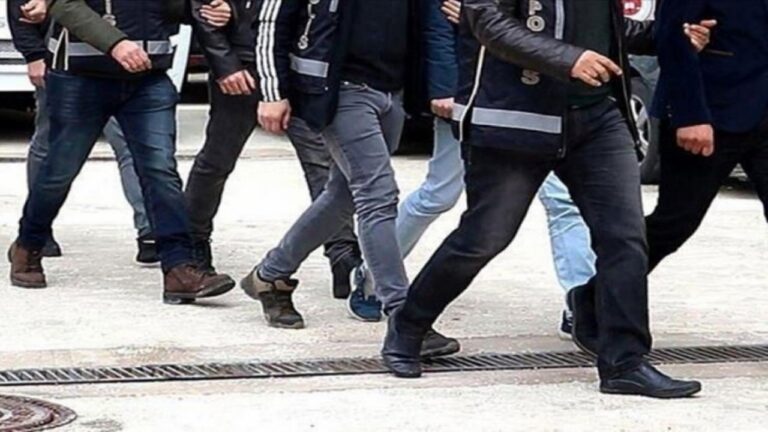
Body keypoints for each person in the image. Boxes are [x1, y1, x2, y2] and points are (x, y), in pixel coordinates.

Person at [381, 0, 707, 399]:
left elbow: (602, 27)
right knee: (484, 238)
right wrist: (569, 59)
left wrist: (668, 35)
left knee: (625, 238)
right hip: (514, 120)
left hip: (598, 118)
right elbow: (488, 21)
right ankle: (409, 324)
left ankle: (625, 362)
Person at [353, 0, 597, 336]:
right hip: (472, 95)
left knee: (561, 201)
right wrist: (444, 86)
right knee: (439, 194)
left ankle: (580, 304)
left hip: (539, 98)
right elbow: (438, 23)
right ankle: (372, 273)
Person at [245, 0, 458, 356]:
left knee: (342, 196)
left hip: (391, 91)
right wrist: (272, 92)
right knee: (378, 195)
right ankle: (403, 315)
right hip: (340, 90)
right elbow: (271, 20)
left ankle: (269, 275)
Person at [7, 0, 236, 306]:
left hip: (149, 78)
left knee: (161, 171)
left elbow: (176, 7)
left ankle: (180, 268)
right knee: (59, 171)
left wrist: (217, 9)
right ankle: (29, 244)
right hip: (81, 77)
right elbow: (64, 3)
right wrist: (115, 44)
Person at [183, 0, 362, 301]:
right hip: (242, 63)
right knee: (217, 160)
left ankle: (342, 253)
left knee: (322, 163)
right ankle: (190, 248)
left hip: (295, 64)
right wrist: (225, 63)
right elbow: (204, 8)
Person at [8, 0, 154, 264]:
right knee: (53, 147)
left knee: (129, 144)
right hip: (64, 61)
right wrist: (33, 54)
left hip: (119, 58)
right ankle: (37, 233)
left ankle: (149, 231)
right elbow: (21, 4)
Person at [647, 1, 768, 270]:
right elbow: (672, 35)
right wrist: (690, 115)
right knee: (673, 224)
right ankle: (597, 291)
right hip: (712, 111)